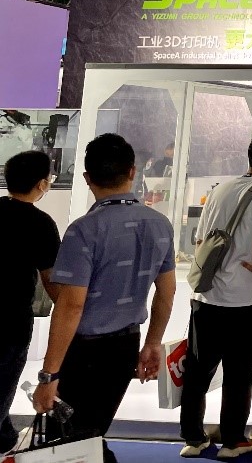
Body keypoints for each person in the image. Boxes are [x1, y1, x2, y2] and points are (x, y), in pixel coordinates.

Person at [33, 133, 175, 463]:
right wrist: (153, 343)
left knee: (69, 442)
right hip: (125, 347)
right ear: (132, 172)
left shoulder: (84, 230)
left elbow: (71, 305)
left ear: (87, 178)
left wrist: (49, 376)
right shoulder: (160, 225)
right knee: (91, 433)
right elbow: (166, 292)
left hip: (84, 352)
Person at [179, 132, 252, 460]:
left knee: (198, 371)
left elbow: (201, 241)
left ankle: (193, 439)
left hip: (207, 298)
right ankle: (232, 440)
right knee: (239, 374)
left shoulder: (219, 190)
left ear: (249, 156)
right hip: (245, 300)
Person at [0, 151, 61, 453]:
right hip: (10, 322)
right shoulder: (41, 224)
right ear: (41, 184)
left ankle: (5, 436)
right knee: (2, 385)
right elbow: (52, 281)